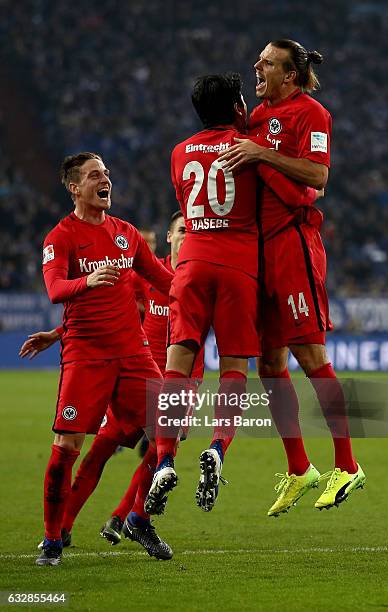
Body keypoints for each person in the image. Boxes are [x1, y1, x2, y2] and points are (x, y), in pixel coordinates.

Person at [145, 73, 321, 516]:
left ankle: (164, 458)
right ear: (238, 106)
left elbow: (188, 203)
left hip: (191, 264)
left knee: (178, 362)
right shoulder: (247, 149)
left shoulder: (178, 152)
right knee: (235, 367)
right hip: (239, 268)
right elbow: (290, 190)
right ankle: (219, 447)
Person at [219, 39, 365, 516]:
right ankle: (301, 468)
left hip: (291, 244)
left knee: (310, 354)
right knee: (269, 364)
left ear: (291, 75)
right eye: (258, 60)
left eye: (268, 63)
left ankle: (348, 464)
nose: (257, 66)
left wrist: (261, 153)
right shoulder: (255, 116)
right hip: (254, 250)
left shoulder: (311, 114)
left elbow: (317, 176)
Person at [21, 212, 203, 558]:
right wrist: (60, 333)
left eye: (193, 231)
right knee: (87, 450)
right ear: (169, 235)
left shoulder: (197, 280)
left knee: (165, 440)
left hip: (163, 372)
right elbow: (101, 302)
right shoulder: (140, 272)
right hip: (113, 363)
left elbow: (203, 326)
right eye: (182, 230)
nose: (187, 236)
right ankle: (60, 530)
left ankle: (133, 517)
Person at [35, 151, 173, 566]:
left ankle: (136, 517)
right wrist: (87, 280)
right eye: (95, 175)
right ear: (76, 187)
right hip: (87, 357)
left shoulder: (126, 234)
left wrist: (211, 289)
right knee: (66, 449)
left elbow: (164, 281)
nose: (104, 179)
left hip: (133, 355)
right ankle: (52, 539)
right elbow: (56, 289)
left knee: (169, 430)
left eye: (107, 172)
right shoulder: (61, 237)